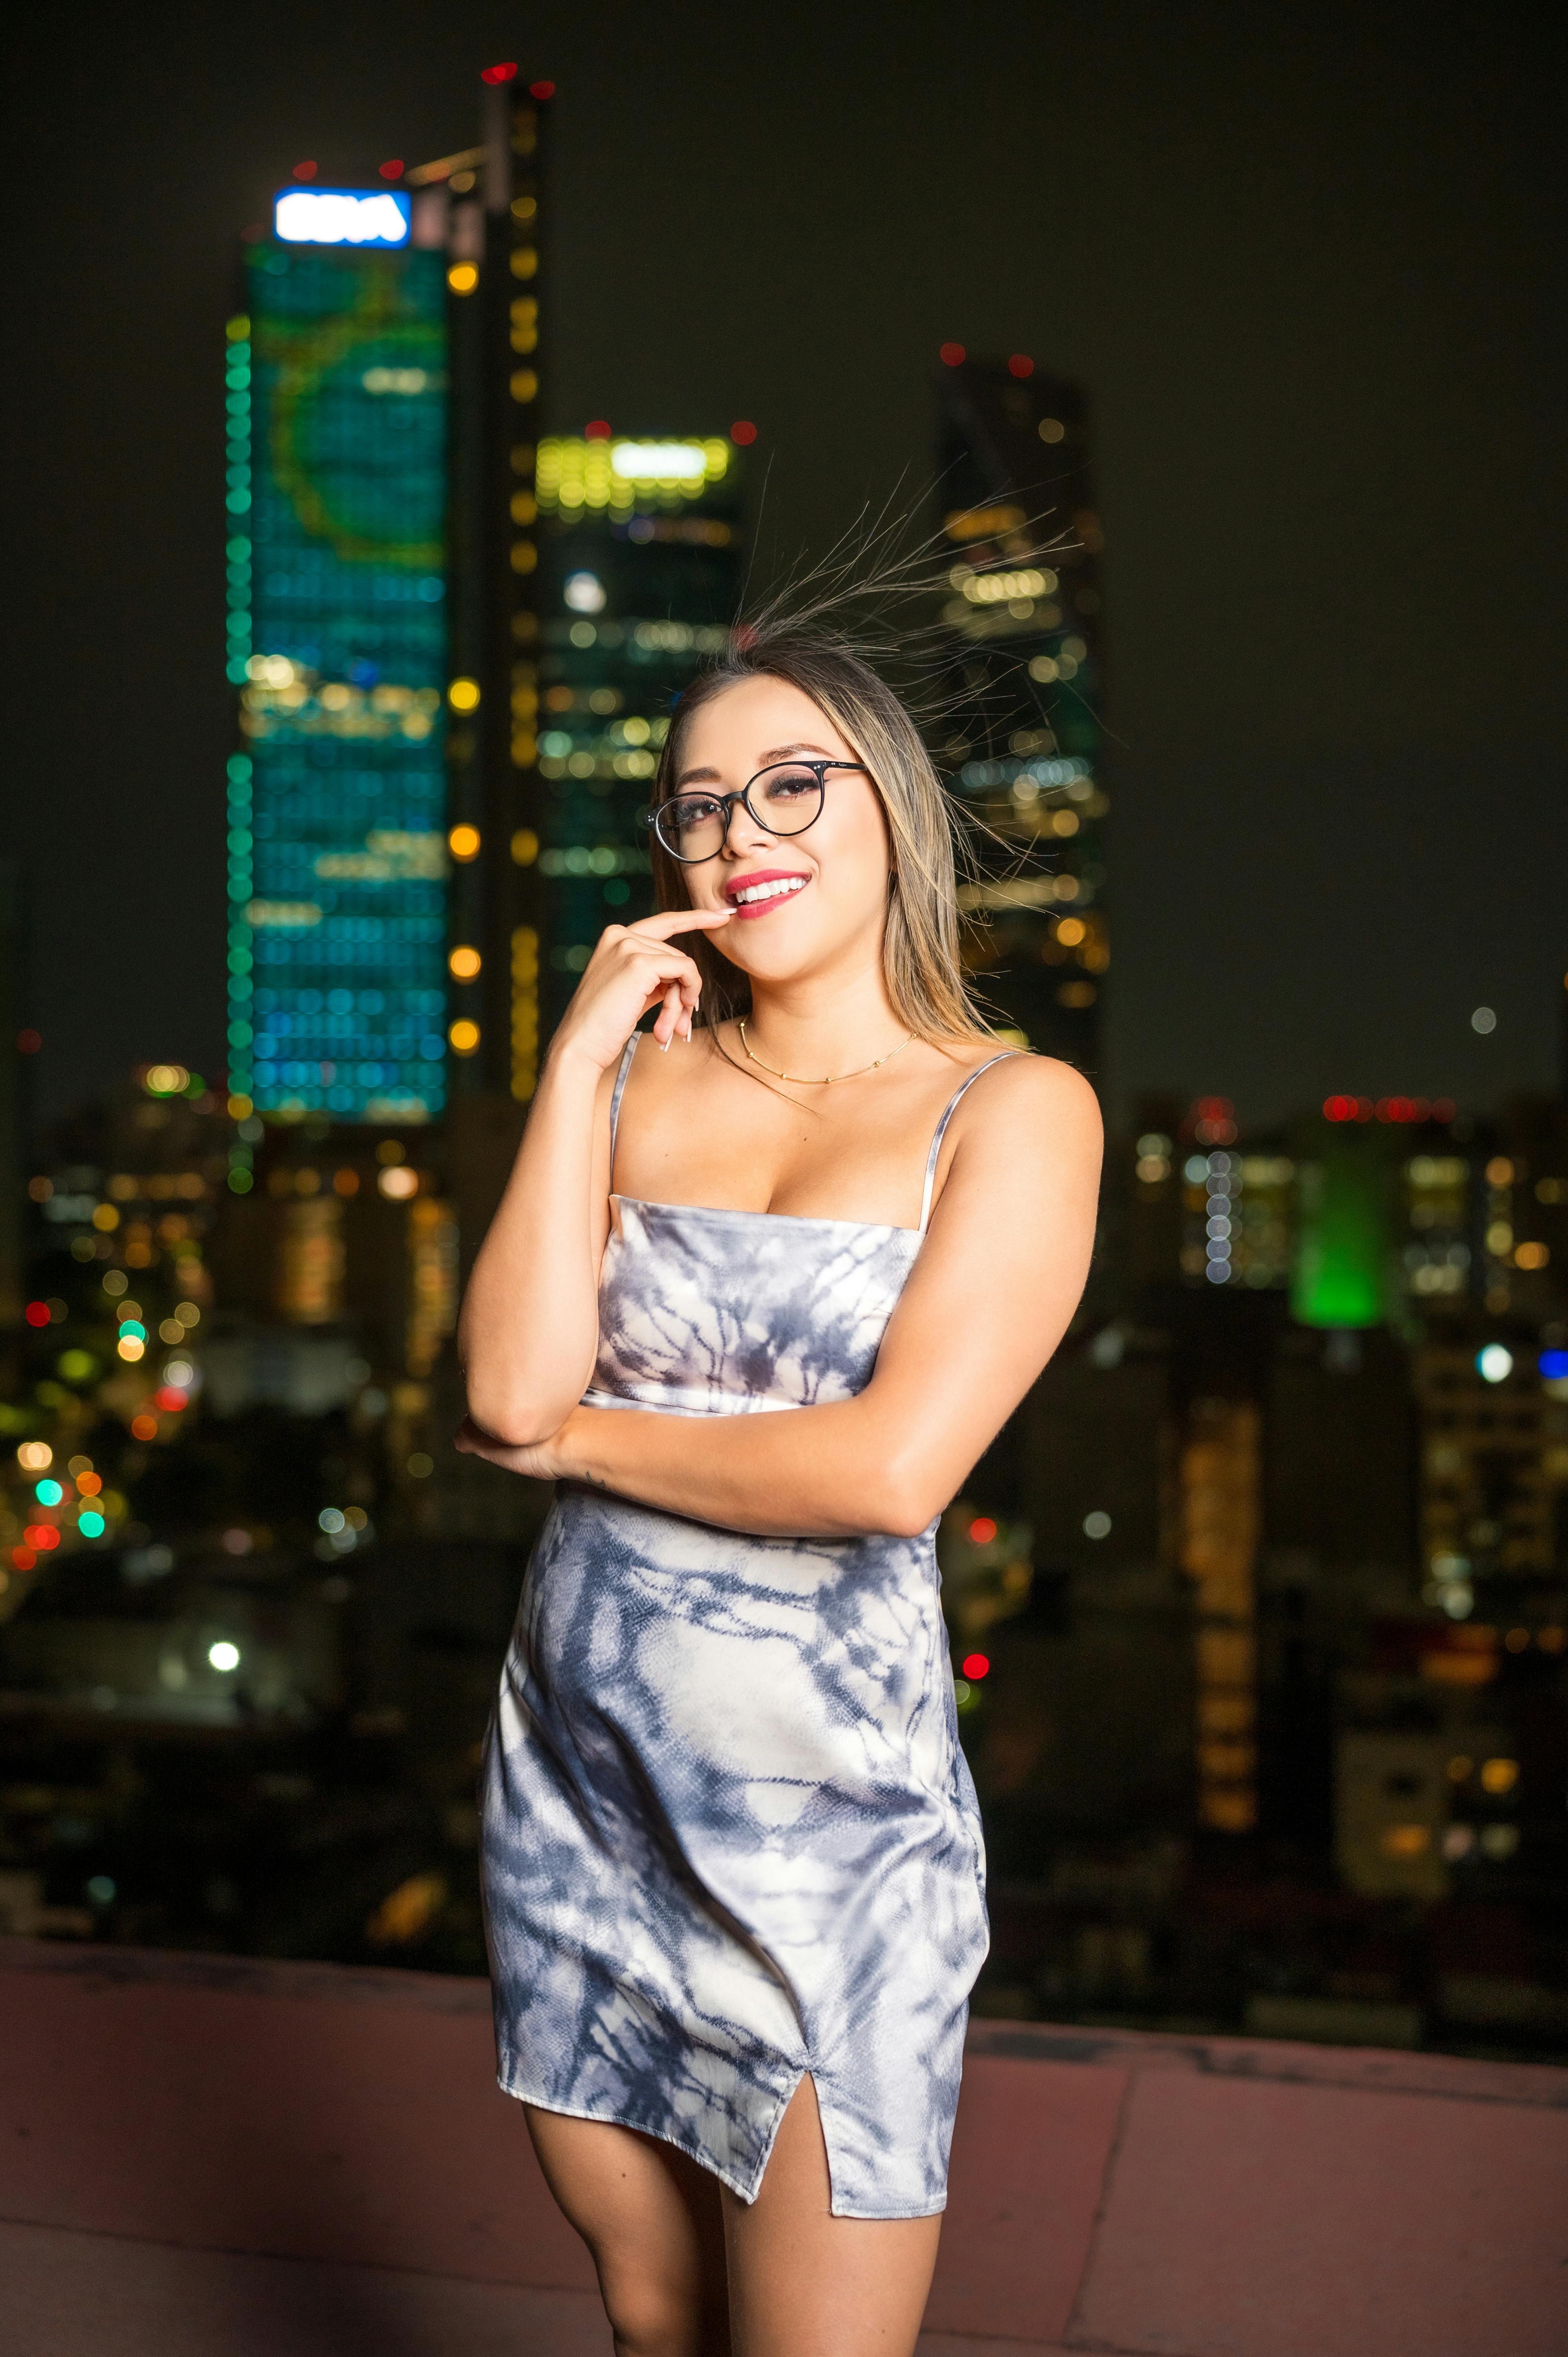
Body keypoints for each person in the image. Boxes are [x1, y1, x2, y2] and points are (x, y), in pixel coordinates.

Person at [455, 626, 1102, 2357]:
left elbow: (889, 1472)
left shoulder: (1013, 1107)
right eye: (698, 804)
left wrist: (581, 1450)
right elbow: (504, 1386)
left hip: (829, 1843)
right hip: (583, 1794)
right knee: (649, 2310)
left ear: (888, 809)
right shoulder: (639, 1079)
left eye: (793, 782)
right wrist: (575, 1063)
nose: (743, 830)